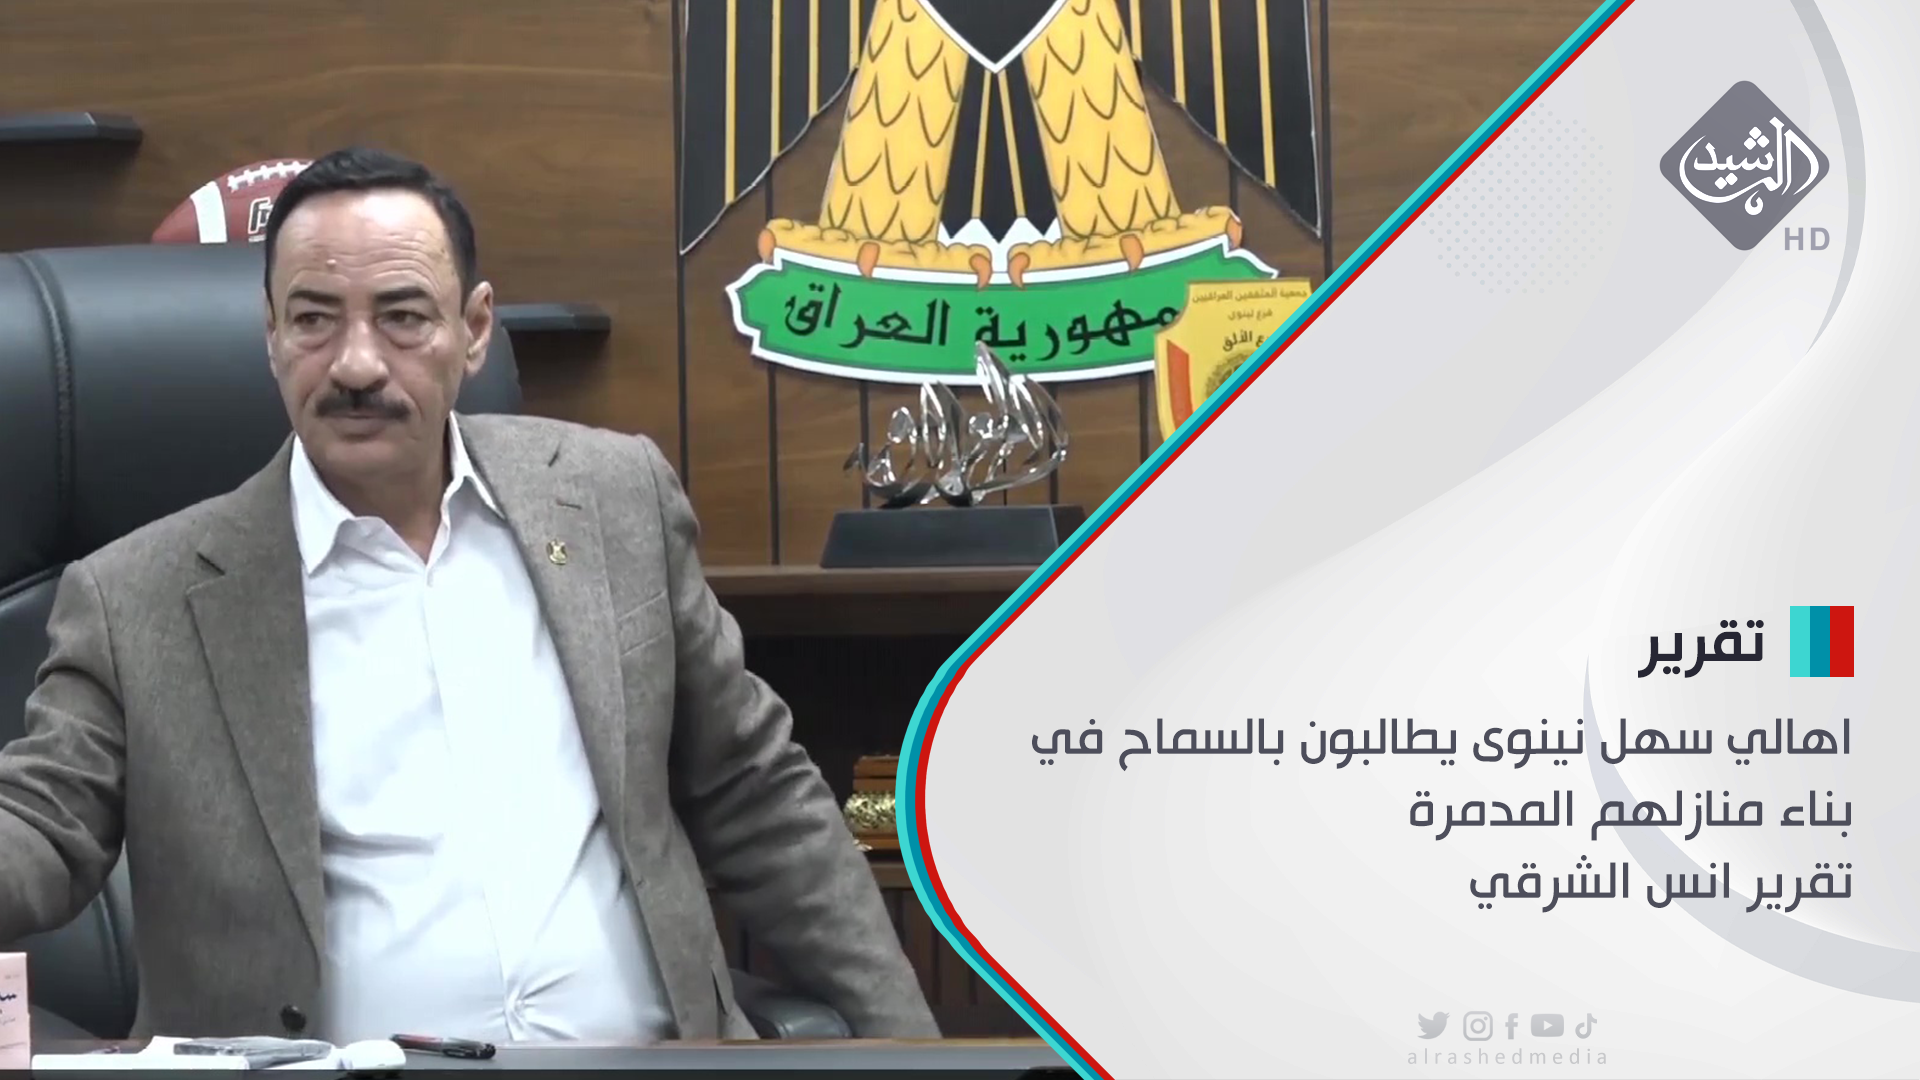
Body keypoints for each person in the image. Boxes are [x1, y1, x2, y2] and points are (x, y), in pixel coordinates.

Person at [0, 147, 937, 1045]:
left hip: (643, 1060)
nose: (357, 364)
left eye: (403, 317)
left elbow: (754, 791)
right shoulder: (138, 598)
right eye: (314, 319)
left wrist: (908, 1049)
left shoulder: (614, 501)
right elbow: (43, 825)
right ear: (272, 335)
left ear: (475, 329)